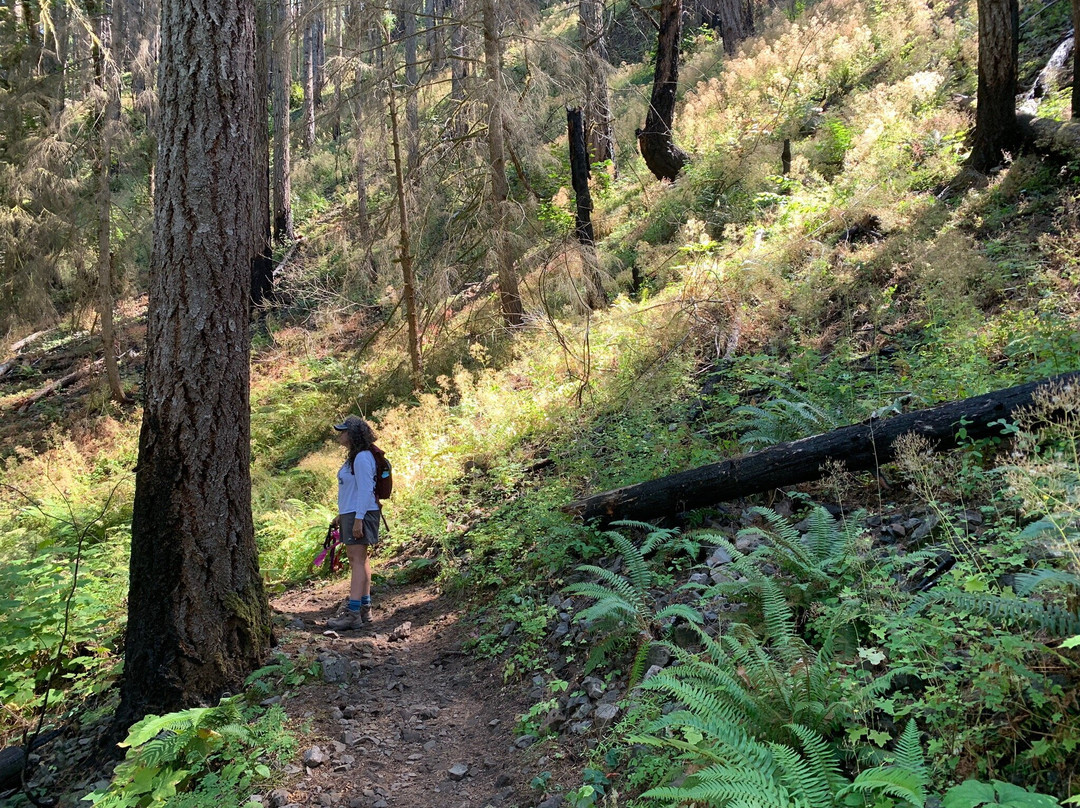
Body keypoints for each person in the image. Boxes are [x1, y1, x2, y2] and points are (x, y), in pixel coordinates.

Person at [326, 415, 381, 630]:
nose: (340, 435)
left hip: (361, 514)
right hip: (353, 513)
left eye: (344, 431)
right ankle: (364, 608)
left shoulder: (362, 458)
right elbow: (354, 490)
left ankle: (353, 613)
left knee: (356, 561)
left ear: (354, 434)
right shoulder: (356, 457)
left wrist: (358, 519)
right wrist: (343, 516)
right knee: (360, 560)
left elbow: (366, 490)